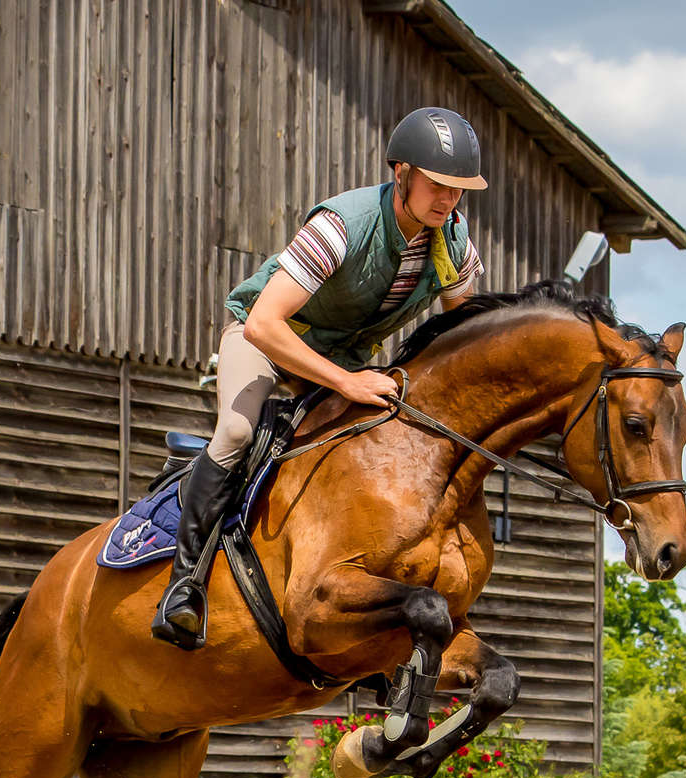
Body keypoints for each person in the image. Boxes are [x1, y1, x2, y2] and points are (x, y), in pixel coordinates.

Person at [151, 106, 488, 649]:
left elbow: (464, 333)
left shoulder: (452, 241)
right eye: (438, 185)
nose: (449, 200)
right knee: (236, 434)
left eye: (459, 190)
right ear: (401, 173)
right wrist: (348, 383)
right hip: (266, 341)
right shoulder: (341, 225)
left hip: (344, 360)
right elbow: (265, 322)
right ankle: (184, 588)